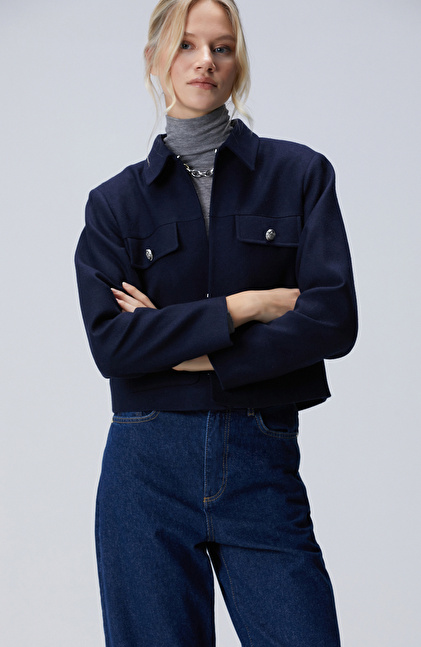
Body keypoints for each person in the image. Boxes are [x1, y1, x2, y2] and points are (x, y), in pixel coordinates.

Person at [75, 0, 357, 645]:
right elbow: (113, 344)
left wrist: (188, 349)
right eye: (186, 44)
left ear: (238, 62)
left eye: (222, 47)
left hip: (260, 459)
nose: (205, 60)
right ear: (155, 59)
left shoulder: (301, 175)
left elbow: (333, 319)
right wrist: (245, 307)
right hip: (145, 470)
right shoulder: (114, 204)